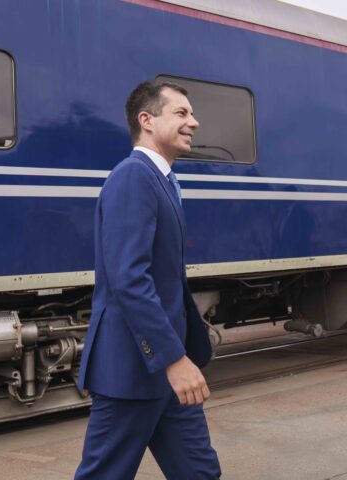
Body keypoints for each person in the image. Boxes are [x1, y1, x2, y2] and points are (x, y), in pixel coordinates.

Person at [74, 81, 221, 479]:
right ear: (147, 120)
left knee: (200, 473)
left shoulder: (163, 180)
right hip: (134, 371)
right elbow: (129, 280)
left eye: (191, 114)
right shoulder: (133, 177)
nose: (194, 122)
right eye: (181, 113)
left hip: (167, 370)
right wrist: (173, 360)